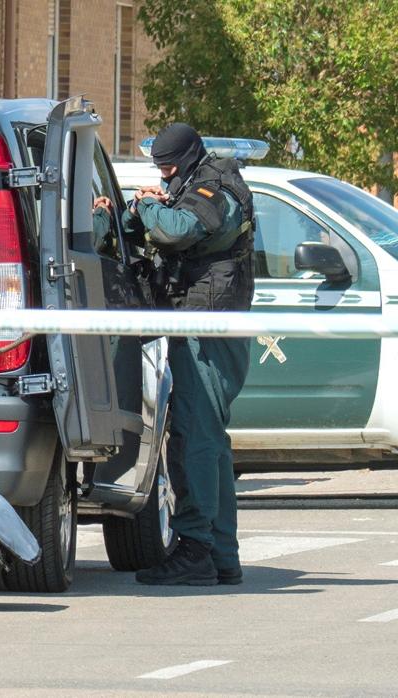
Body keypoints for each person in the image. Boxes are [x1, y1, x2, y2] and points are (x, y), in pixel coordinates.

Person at [120, 123, 255, 586]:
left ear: (189, 157)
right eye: (160, 168)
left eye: (169, 165)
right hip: (198, 327)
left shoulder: (216, 187)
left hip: (209, 332)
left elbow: (181, 230)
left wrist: (149, 206)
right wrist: (131, 212)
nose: (166, 173)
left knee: (196, 439)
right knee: (209, 440)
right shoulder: (190, 184)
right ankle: (219, 554)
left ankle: (197, 549)